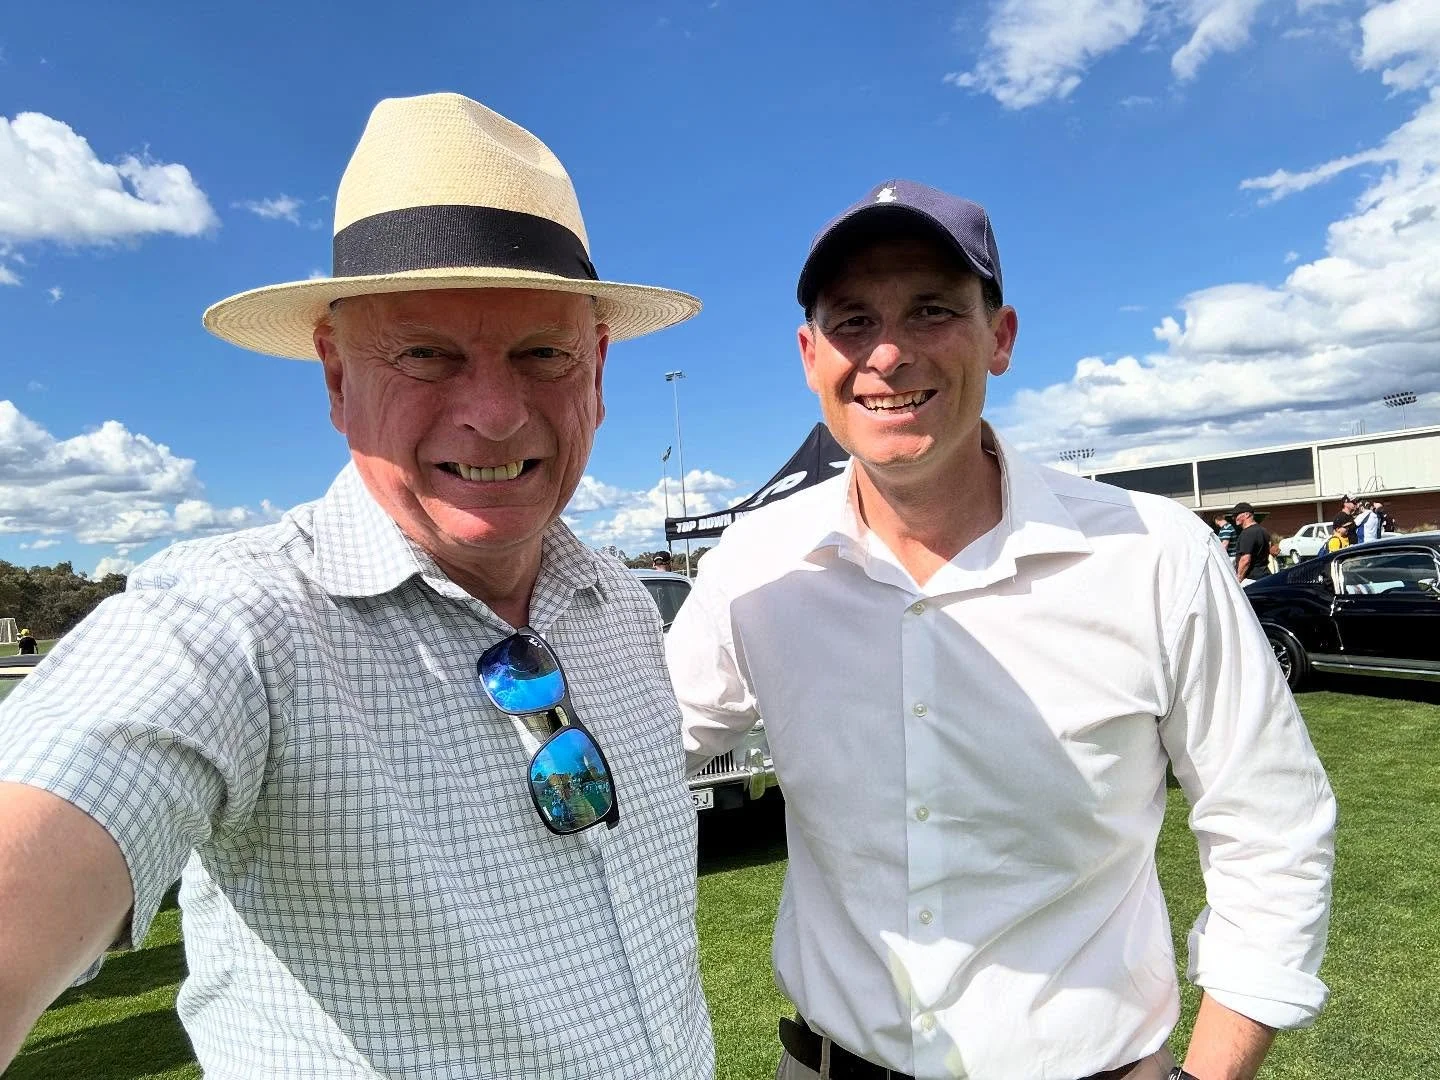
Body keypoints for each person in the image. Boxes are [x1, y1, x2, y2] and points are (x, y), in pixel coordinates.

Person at [0, 93, 714, 1078]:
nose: (497, 415)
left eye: (541, 353)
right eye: (425, 354)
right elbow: (64, 801)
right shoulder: (238, 620)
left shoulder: (621, 606)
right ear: (336, 377)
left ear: (596, 369)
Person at [667, 180, 1335, 1080]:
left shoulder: (1152, 553)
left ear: (1002, 337)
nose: (889, 354)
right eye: (852, 321)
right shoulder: (757, 563)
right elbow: (640, 755)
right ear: (808, 354)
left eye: (933, 310)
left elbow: (1273, 826)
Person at [1229, 503, 1270, 587]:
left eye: (1236, 515)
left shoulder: (1247, 533)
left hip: (1250, 580)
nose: (1234, 518)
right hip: (1265, 577)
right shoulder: (1263, 530)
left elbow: (1245, 560)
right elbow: (1273, 549)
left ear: (1247, 514)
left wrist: (1238, 580)